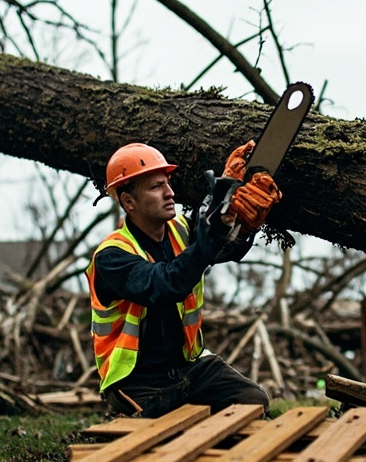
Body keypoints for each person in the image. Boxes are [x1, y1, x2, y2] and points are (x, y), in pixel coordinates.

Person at [87, 140, 282, 419]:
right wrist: (209, 236)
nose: (170, 193)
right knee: (166, 431)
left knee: (254, 400)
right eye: (156, 187)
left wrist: (241, 226)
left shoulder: (180, 230)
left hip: (188, 365)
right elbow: (166, 285)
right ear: (129, 201)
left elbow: (222, 249)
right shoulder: (111, 257)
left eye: (167, 183)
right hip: (137, 381)